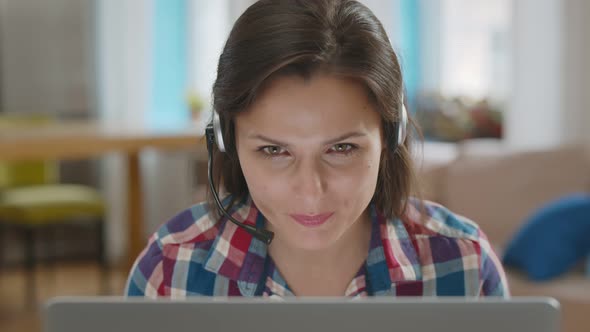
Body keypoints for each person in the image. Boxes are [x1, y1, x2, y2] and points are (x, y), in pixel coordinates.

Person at [126, 0, 509, 298]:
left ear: (392, 137)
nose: (310, 191)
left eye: (341, 148)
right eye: (274, 151)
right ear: (228, 142)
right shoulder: (169, 270)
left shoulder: (466, 267)